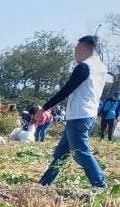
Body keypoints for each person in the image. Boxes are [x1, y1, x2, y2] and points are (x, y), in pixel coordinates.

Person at [38, 35, 109, 189]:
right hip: (86, 114)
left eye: (76, 49)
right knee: (62, 152)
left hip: (79, 115)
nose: (74, 53)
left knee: (80, 152)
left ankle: (100, 184)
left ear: (83, 48)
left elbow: (66, 90)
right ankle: (45, 183)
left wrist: (44, 108)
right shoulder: (101, 68)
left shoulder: (85, 67)